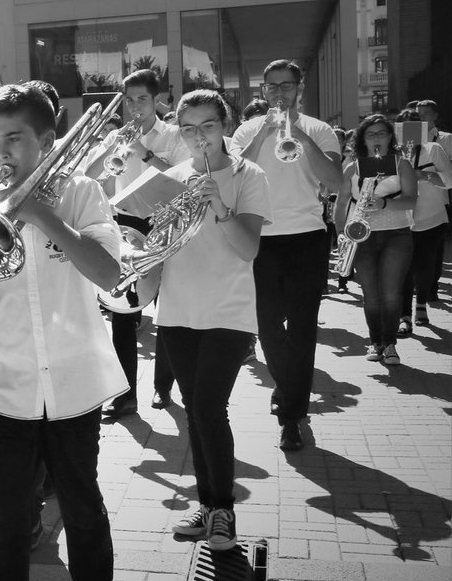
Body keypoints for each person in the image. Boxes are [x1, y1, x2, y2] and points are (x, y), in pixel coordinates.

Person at [0, 84, 126, 581]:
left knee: (81, 505)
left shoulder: (81, 192)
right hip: (7, 384)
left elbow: (110, 275)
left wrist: (42, 216)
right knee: (6, 525)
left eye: (14, 138)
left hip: (75, 382)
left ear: (46, 141)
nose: (1, 151)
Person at [155, 91, 270, 552]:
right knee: (197, 411)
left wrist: (220, 206)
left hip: (228, 310)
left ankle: (222, 510)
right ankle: (209, 506)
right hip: (178, 309)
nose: (198, 136)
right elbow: (162, 247)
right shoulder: (171, 178)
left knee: (206, 409)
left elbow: (249, 249)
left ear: (224, 125)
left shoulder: (250, 175)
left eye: (206, 126)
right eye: (188, 128)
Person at [230, 60, 342, 452]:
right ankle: (289, 388)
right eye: (272, 86)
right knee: (266, 324)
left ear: (299, 88)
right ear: (263, 90)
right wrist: (264, 131)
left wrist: (300, 135)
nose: (279, 93)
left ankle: (291, 414)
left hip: (308, 237)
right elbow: (232, 171)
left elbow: (335, 181)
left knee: (303, 326)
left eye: (286, 86)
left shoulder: (319, 129)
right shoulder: (248, 129)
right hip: (262, 236)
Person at [84, 69, 189, 415]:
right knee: (124, 311)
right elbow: (90, 175)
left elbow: (183, 179)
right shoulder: (118, 135)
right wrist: (113, 147)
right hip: (126, 225)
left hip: (164, 223)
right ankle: (126, 394)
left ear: (156, 100)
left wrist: (144, 153)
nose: (135, 107)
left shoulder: (173, 135)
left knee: (169, 310)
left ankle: (164, 386)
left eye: (142, 99)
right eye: (129, 100)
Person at [334, 115, 417, 365]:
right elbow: (340, 203)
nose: (376, 139)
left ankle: (390, 344)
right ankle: (375, 341)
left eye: (381, 133)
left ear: (390, 137)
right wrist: (342, 236)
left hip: (397, 233)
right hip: (362, 236)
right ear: (362, 139)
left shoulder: (402, 164)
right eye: (371, 135)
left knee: (391, 294)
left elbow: (412, 200)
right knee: (371, 295)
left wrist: (384, 202)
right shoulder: (353, 167)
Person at [398, 117, 452, 334]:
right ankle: (404, 316)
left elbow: (450, 178)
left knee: (425, 264)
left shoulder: (434, 149)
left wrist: (425, 175)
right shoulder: (393, 151)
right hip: (402, 218)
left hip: (432, 217)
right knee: (404, 268)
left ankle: (421, 303)